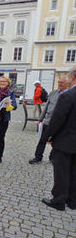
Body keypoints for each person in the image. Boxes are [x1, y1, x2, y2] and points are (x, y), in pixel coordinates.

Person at [43, 66, 76, 211]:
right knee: (74, 170)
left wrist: (50, 136)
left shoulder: (67, 96)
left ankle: (59, 200)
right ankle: (73, 200)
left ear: (73, 77)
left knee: (61, 171)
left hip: (65, 140)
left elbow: (57, 119)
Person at [29, 77, 70, 164]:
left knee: (57, 140)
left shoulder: (70, 94)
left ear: (67, 84)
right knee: (42, 139)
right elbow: (46, 107)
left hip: (61, 123)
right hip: (48, 121)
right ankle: (38, 157)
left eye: (62, 82)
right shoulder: (53, 93)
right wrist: (40, 119)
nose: (59, 84)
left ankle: (53, 157)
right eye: (59, 82)